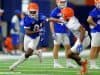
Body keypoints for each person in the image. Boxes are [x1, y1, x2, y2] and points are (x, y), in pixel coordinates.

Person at [50, 0, 87, 74]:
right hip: (58, 32)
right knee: (56, 46)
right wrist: (53, 32)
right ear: (57, 3)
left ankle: (69, 63)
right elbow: (52, 22)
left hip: (65, 32)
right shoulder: (55, 11)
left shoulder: (68, 11)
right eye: (61, 2)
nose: (62, 4)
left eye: (63, 2)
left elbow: (71, 22)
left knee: (68, 47)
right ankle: (56, 63)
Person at [9, 2, 48, 70]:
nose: (32, 13)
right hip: (28, 36)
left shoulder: (41, 16)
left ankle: (15, 65)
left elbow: (47, 19)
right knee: (27, 51)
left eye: (34, 12)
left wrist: (51, 20)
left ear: (37, 11)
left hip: (35, 38)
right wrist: (39, 31)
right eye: (31, 12)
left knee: (27, 54)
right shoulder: (26, 19)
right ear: (28, 11)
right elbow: (27, 31)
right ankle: (38, 52)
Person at [87, 0, 100, 69]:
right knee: (94, 47)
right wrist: (96, 26)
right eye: (98, 3)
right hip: (95, 32)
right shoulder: (94, 11)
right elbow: (88, 20)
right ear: (95, 4)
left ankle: (94, 63)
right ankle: (92, 64)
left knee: (98, 48)